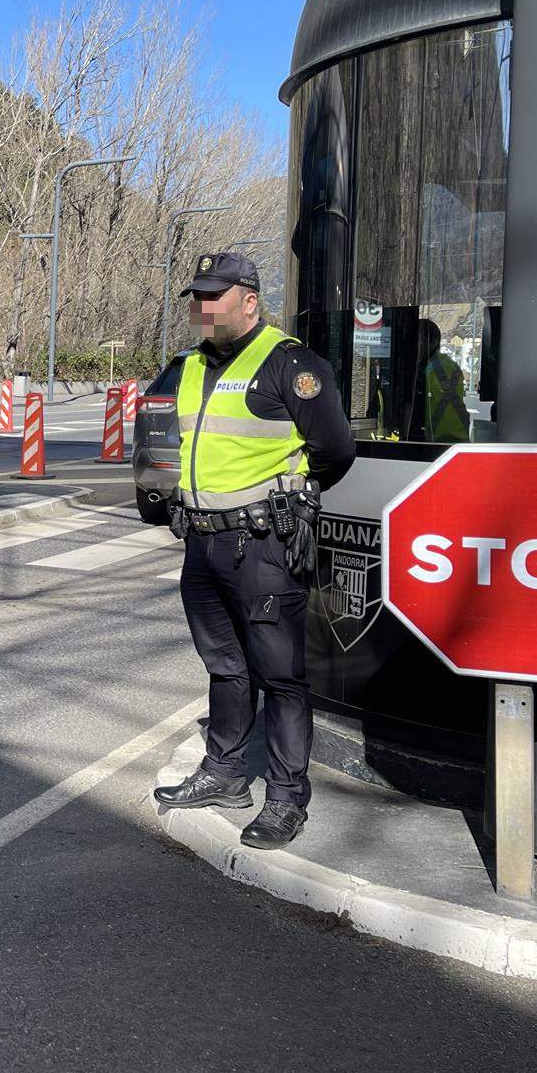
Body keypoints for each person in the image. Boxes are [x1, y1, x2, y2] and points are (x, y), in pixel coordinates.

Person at [152, 251, 355, 849]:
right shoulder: (184, 367)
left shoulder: (290, 365)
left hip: (262, 546)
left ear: (249, 300)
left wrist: (288, 499)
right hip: (201, 543)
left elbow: (336, 451)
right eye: (197, 297)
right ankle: (225, 773)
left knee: (281, 676)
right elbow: (158, 438)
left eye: (215, 296)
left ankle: (287, 797)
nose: (202, 307)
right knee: (225, 667)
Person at [409, 318, 470, 443]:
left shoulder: (441, 369)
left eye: (418, 340)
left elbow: (445, 416)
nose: (413, 345)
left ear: (433, 342)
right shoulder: (428, 365)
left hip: (441, 443)